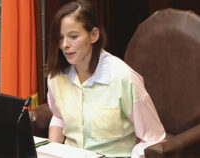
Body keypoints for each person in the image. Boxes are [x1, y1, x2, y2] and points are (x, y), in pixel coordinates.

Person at [46, 0, 166, 157]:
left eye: (73, 36)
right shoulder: (56, 76)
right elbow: (58, 117)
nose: (65, 45)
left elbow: (153, 139)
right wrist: (50, 152)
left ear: (94, 35)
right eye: (60, 38)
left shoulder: (123, 78)